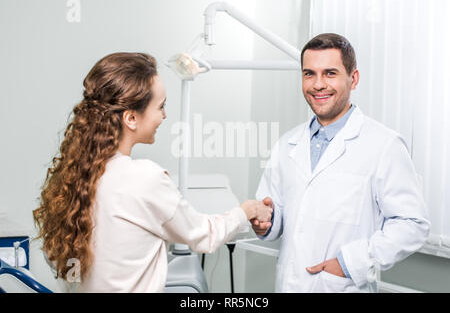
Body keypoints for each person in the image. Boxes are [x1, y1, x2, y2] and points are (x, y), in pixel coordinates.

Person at [33, 52, 273, 292]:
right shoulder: (144, 178)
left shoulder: (77, 175)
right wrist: (247, 210)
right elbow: (205, 235)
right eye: (161, 106)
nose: (164, 115)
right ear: (131, 118)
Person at [251, 33, 430, 292]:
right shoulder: (287, 144)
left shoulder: (384, 145)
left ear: (353, 78)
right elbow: (277, 213)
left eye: (330, 73)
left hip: (340, 285)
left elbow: (413, 223)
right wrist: (266, 221)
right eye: (309, 74)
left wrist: (350, 263)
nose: (318, 84)